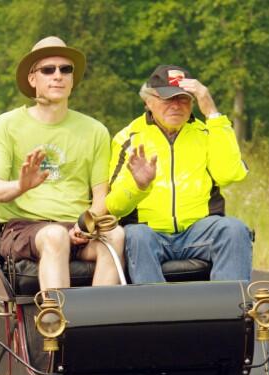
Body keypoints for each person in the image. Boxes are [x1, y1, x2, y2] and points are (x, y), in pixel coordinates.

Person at [0, 36, 124, 290]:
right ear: (32, 79)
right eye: (48, 69)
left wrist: (85, 227)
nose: (58, 75)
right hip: (24, 227)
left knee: (116, 235)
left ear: (72, 79)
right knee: (55, 236)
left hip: (78, 226)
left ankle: (96, 323)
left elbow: (102, 198)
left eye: (65, 69)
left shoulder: (95, 130)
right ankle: (57, 325)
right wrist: (21, 186)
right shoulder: (7, 125)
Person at [106, 65, 252, 284]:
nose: (176, 106)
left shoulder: (206, 132)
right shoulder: (128, 137)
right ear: (148, 101)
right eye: (167, 99)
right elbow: (114, 206)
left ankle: (228, 312)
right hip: (150, 233)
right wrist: (139, 186)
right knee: (136, 235)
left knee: (234, 229)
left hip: (198, 231)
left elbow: (230, 174)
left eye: (183, 99)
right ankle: (158, 313)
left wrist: (212, 112)